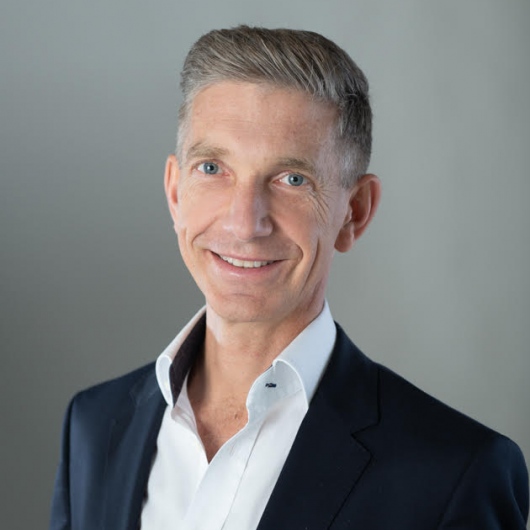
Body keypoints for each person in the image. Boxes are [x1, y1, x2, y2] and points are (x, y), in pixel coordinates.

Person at [49, 26, 528, 530]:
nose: (244, 223)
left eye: (292, 179)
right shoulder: (94, 427)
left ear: (354, 212)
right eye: (212, 168)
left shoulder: (455, 473)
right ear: (175, 192)